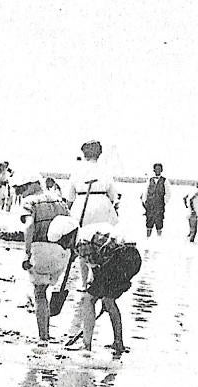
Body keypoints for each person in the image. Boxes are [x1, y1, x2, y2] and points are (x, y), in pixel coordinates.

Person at [66, 223, 142, 355]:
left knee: (89, 299)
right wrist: (103, 292)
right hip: (134, 258)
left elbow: (96, 268)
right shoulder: (89, 233)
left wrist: (98, 291)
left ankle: (86, 345)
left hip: (119, 258)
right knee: (109, 301)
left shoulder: (81, 244)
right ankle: (118, 343)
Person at [18, 174, 76, 343]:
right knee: (46, 289)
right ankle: (47, 329)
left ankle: (44, 337)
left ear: (31, 185)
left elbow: (29, 226)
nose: (20, 193)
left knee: (40, 293)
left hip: (41, 250)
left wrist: (26, 252)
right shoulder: (59, 200)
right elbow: (72, 226)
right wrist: (72, 252)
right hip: (62, 253)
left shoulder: (29, 202)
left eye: (21, 189)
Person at [64, 141, 119, 288]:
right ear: (99, 154)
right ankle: (97, 281)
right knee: (102, 244)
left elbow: (69, 197)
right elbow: (113, 196)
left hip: (81, 206)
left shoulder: (77, 171)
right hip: (102, 206)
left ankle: (84, 283)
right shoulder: (105, 170)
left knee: (82, 244)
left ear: (84, 154)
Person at [140, 163, 171, 238]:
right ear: (154, 170)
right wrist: (145, 202)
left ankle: (159, 239)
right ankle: (148, 238)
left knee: (159, 222)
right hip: (150, 205)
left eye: (159, 169)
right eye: (156, 169)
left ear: (161, 170)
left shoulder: (165, 180)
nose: (158, 170)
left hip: (159, 206)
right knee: (149, 221)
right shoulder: (150, 180)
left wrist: (163, 202)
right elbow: (145, 191)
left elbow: (168, 193)